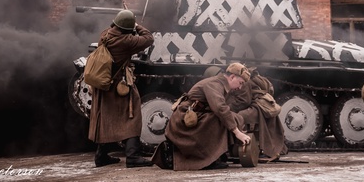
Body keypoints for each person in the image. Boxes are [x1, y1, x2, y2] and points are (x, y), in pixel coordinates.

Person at [152, 63, 252, 171]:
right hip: (185, 120)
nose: (240, 87)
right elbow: (220, 108)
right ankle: (208, 158)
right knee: (218, 120)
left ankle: (217, 154)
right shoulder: (214, 84)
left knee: (234, 117)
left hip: (197, 116)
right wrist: (237, 133)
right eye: (240, 83)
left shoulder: (221, 85)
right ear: (232, 77)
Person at [88, 9, 155, 168]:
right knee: (132, 117)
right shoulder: (126, 41)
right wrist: (137, 26)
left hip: (103, 83)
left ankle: (101, 156)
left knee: (105, 118)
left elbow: (116, 27)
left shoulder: (105, 34)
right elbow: (148, 38)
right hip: (118, 85)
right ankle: (133, 157)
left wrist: (125, 23)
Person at [222, 67, 288, 160]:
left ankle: (248, 145)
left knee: (239, 117)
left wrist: (228, 110)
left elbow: (244, 101)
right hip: (258, 105)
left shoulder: (243, 82)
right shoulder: (240, 79)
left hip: (258, 107)